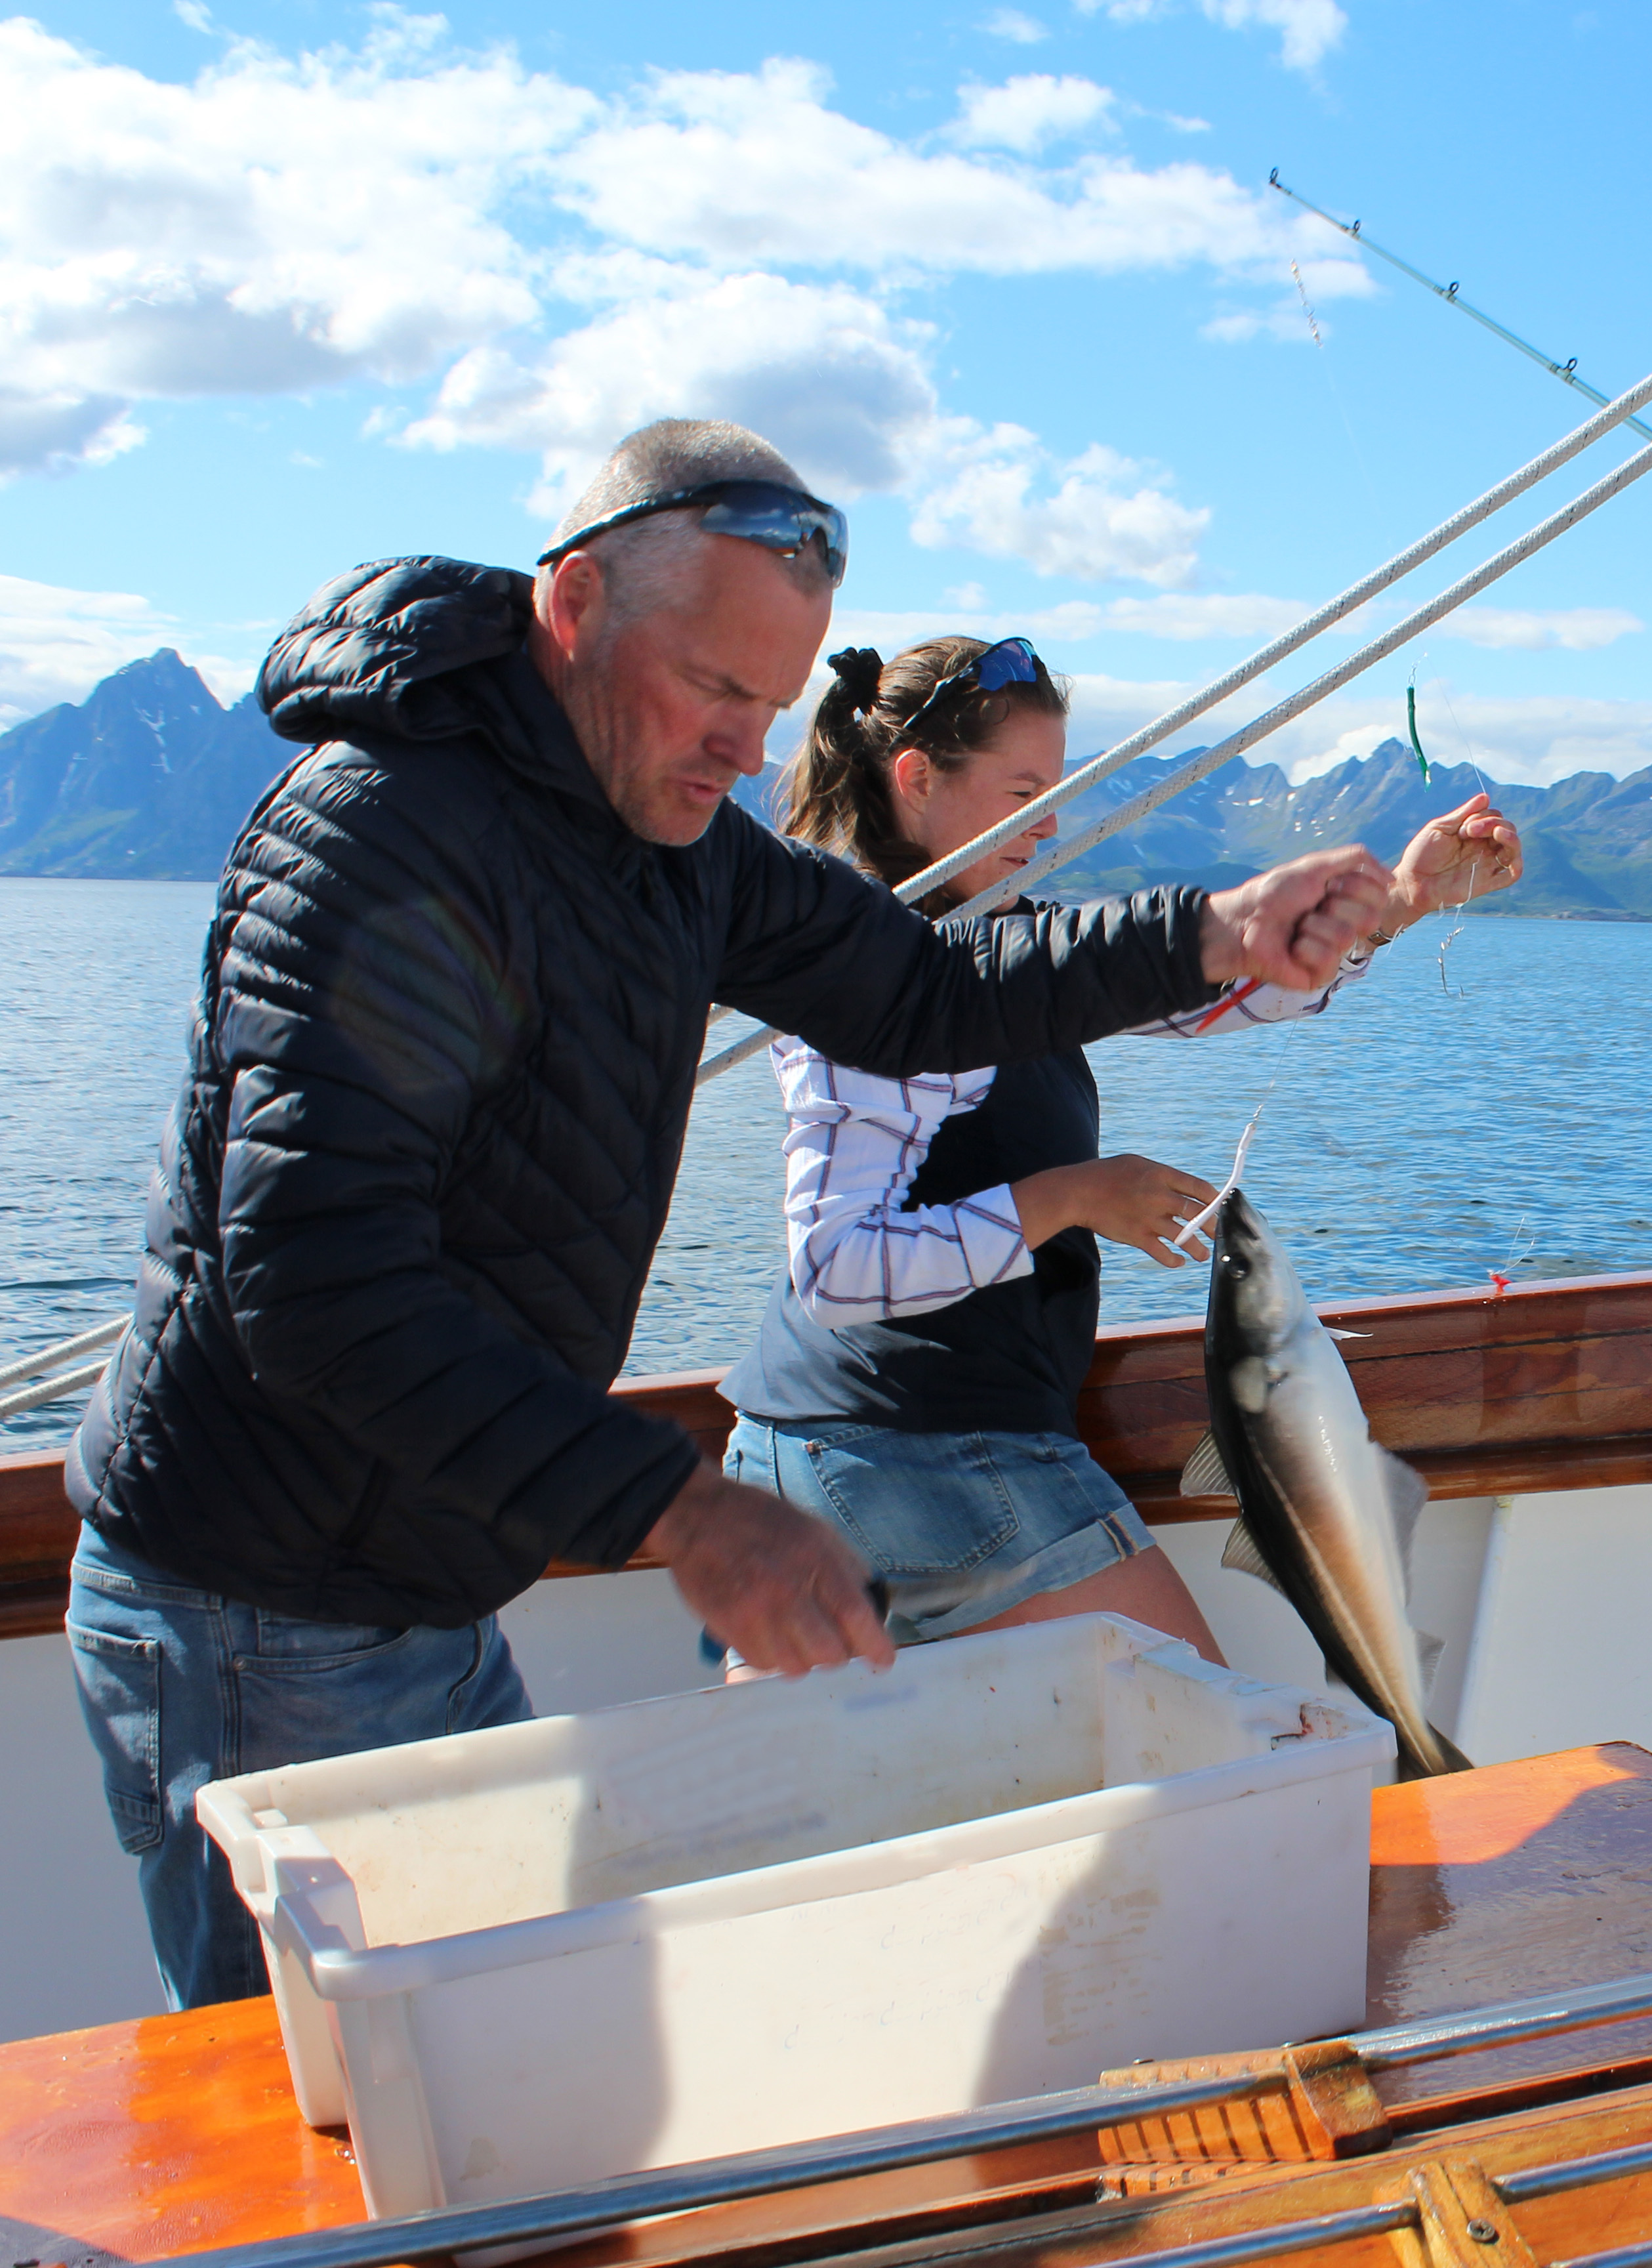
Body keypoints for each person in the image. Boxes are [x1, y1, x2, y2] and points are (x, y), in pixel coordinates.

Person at [60, 419, 1403, 2010]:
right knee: (307, 2136)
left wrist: (1211, 929)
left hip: (419, 1583)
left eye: (772, 707)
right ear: (573, 610)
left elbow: (919, 983)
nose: (746, 749)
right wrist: (680, 1512)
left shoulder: (674, 843)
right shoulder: (381, 840)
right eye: (714, 689)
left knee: (513, 2051)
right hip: (254, 1609)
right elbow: (324, 1285)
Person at [717, 634, 1523, 1658]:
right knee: (1227, 1758)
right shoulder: (873, 979)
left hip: (799, 1454)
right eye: (1022, 792)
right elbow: (837, 1268)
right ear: (916, 779)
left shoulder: (985, 948)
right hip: (930, 1453)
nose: (1049, 823)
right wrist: (1074, 1196)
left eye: (1058, 788)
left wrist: (1402, 901)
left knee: (832, 1813)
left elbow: (1205, 1000)